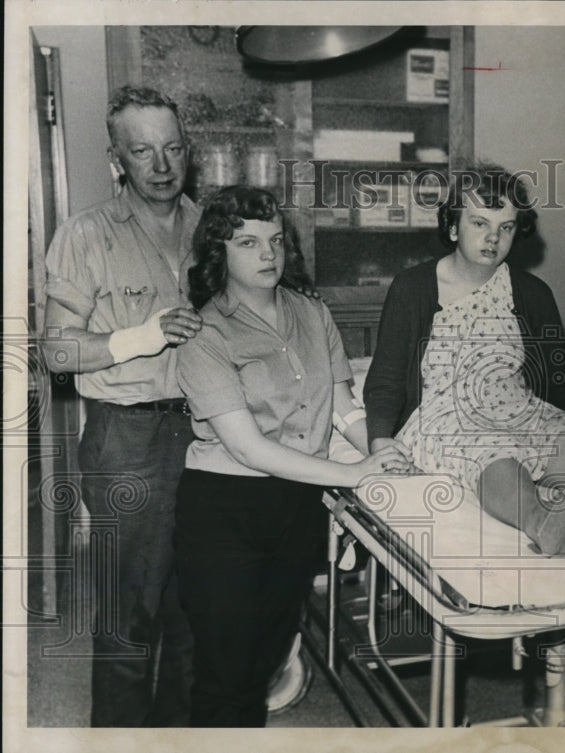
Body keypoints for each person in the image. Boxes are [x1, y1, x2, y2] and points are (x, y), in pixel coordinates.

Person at [363, 164, 565, 556]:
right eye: (479, 223)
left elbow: (554, 375)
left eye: (505, 227)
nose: (493, 237)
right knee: (495, 454)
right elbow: (385, 376)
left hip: (516, 407)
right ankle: (544, 522)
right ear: (453, 227)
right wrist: (380, 439)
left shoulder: (531, 292)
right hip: (446, 416)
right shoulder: (413, 287)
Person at [173, 185, 408, 727]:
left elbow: (341, 408)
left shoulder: (312, 312)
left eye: (275, 240)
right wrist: (352, 472)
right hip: (225, 510)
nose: (267, 254)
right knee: (225, 674)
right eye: (248, 243)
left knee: (264, 660)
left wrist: (381, 446)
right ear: (219, 253)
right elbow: (248, 447)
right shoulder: (203, 332)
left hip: (297, 506)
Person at [40, 85, 202, 727]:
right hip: (126, 440)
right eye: (141, 152)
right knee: (129, 616)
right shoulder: (84, 234)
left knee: (195, 610)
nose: (160, 166)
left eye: (171, 149)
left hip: (209, 433)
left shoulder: (213, 228)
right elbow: (55, 352)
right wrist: (143, 336)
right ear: (117, 160)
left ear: (187, 151)